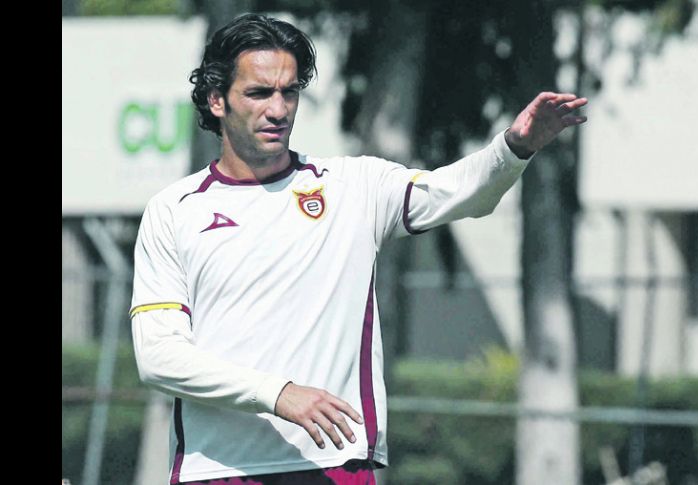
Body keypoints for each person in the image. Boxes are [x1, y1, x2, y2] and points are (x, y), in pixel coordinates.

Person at [129, 13, 587, 485]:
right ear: (216, 100)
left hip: (332, 465)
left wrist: (513, 148)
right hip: (217, 468)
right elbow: (159, 355)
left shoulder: (352, 186)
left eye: (289, 92)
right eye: (259, 93)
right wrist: (278, 393)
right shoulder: (174, 211)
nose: (279, 109)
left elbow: (458, 193)